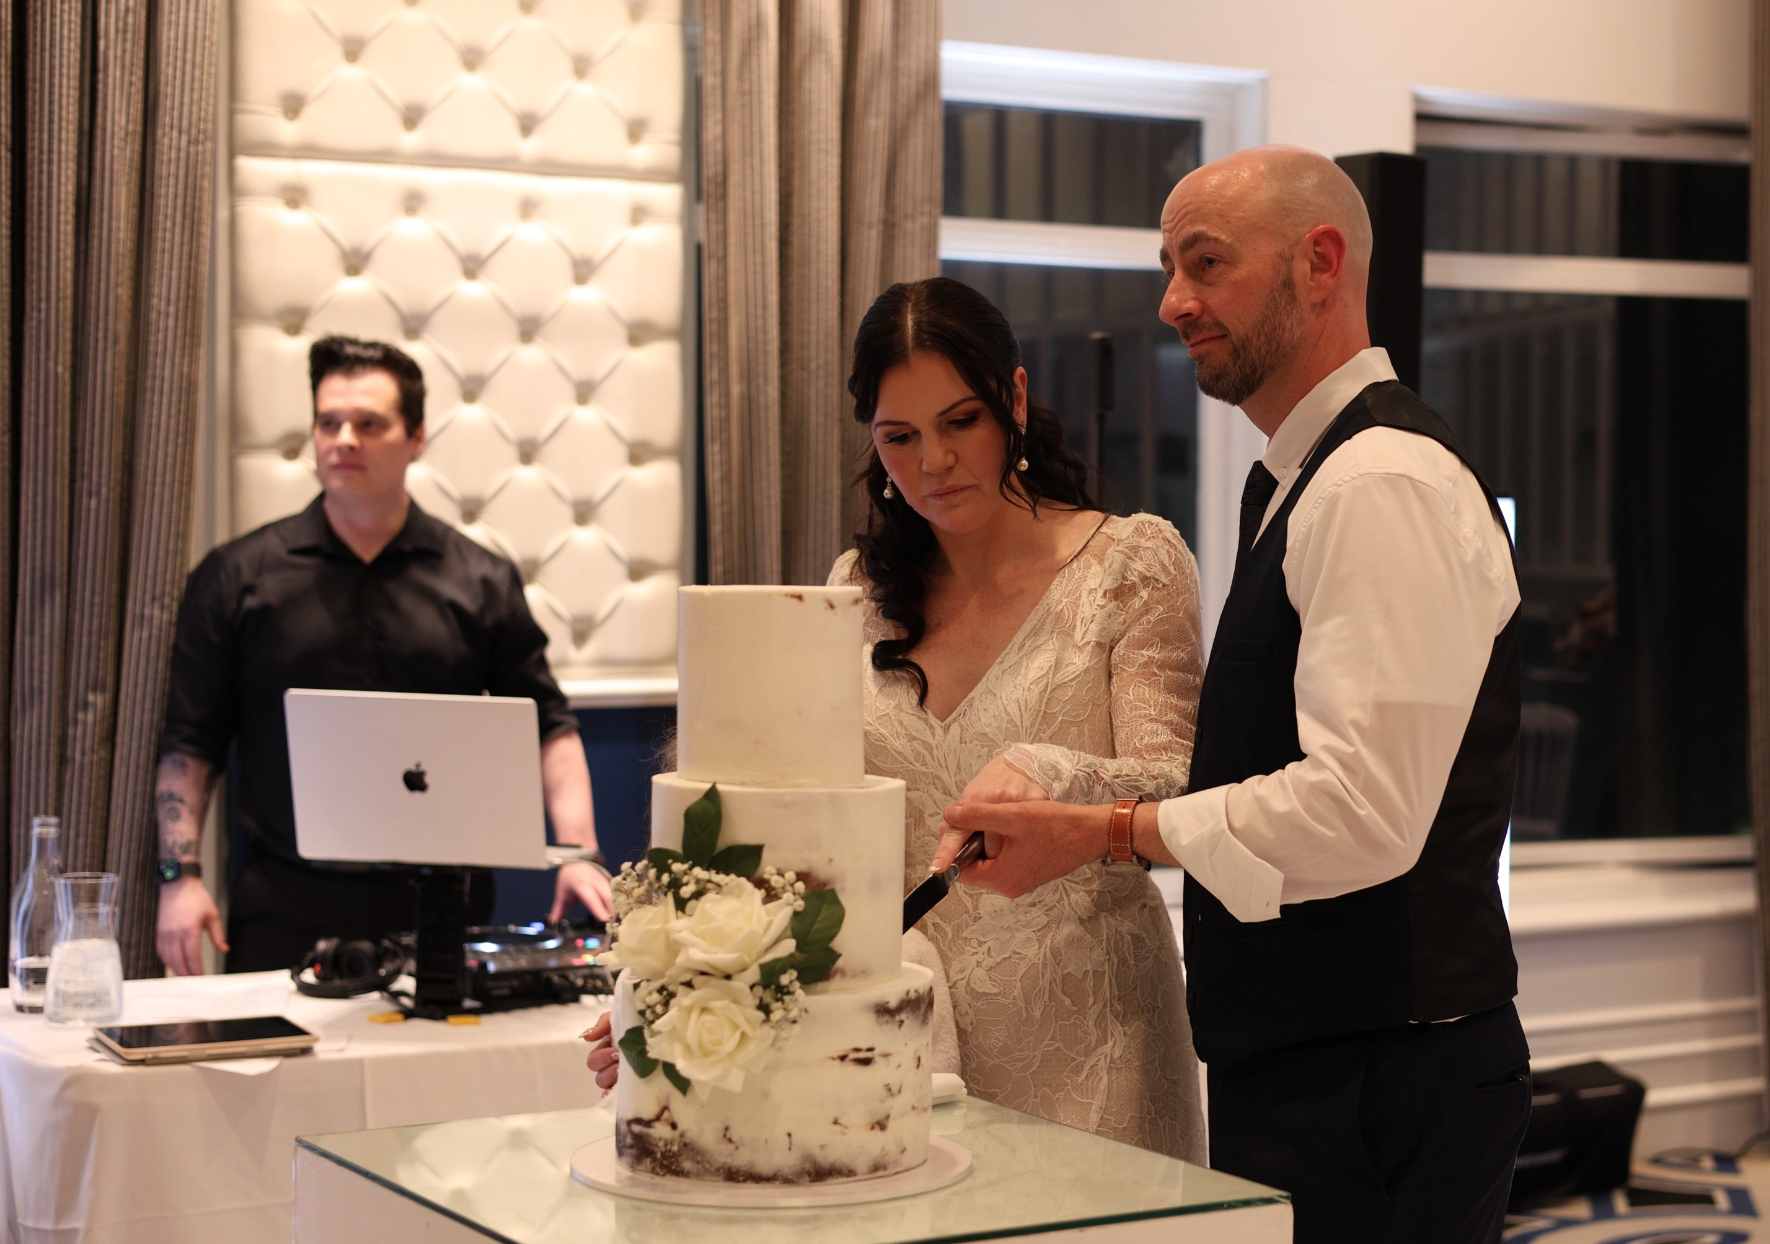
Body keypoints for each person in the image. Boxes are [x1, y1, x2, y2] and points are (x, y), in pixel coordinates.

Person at [937, 146, 1529, 1242]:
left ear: (1320, 262)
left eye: (1205, 264)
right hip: (1323, 1069)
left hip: (1381, 1085)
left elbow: (1362, 811)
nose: (1173, 303)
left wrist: (1103, 830)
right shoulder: (1309, 478)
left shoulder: (1378, 481)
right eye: (1168, 269)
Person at [587, 279, 1205, 1160]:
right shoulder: (857, 591)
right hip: (898, 1036)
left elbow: (1178, 789)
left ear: (1015, 400)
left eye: (961, 422)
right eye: (900, 437)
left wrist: (1055, 771)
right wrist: (680, 988)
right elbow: (789, 818)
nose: (934, 462)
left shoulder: (1134, 562)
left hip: (1090, 1030)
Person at [155, 336, 614, 976]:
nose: (344, 440)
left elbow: (549, 725)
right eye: (329, 422)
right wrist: (179, 877)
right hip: (285, 900)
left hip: (446, 899)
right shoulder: (236, 576)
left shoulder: (480, 579)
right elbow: (189, 743)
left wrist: (579, 855)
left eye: (369, 424)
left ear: (416, 437)